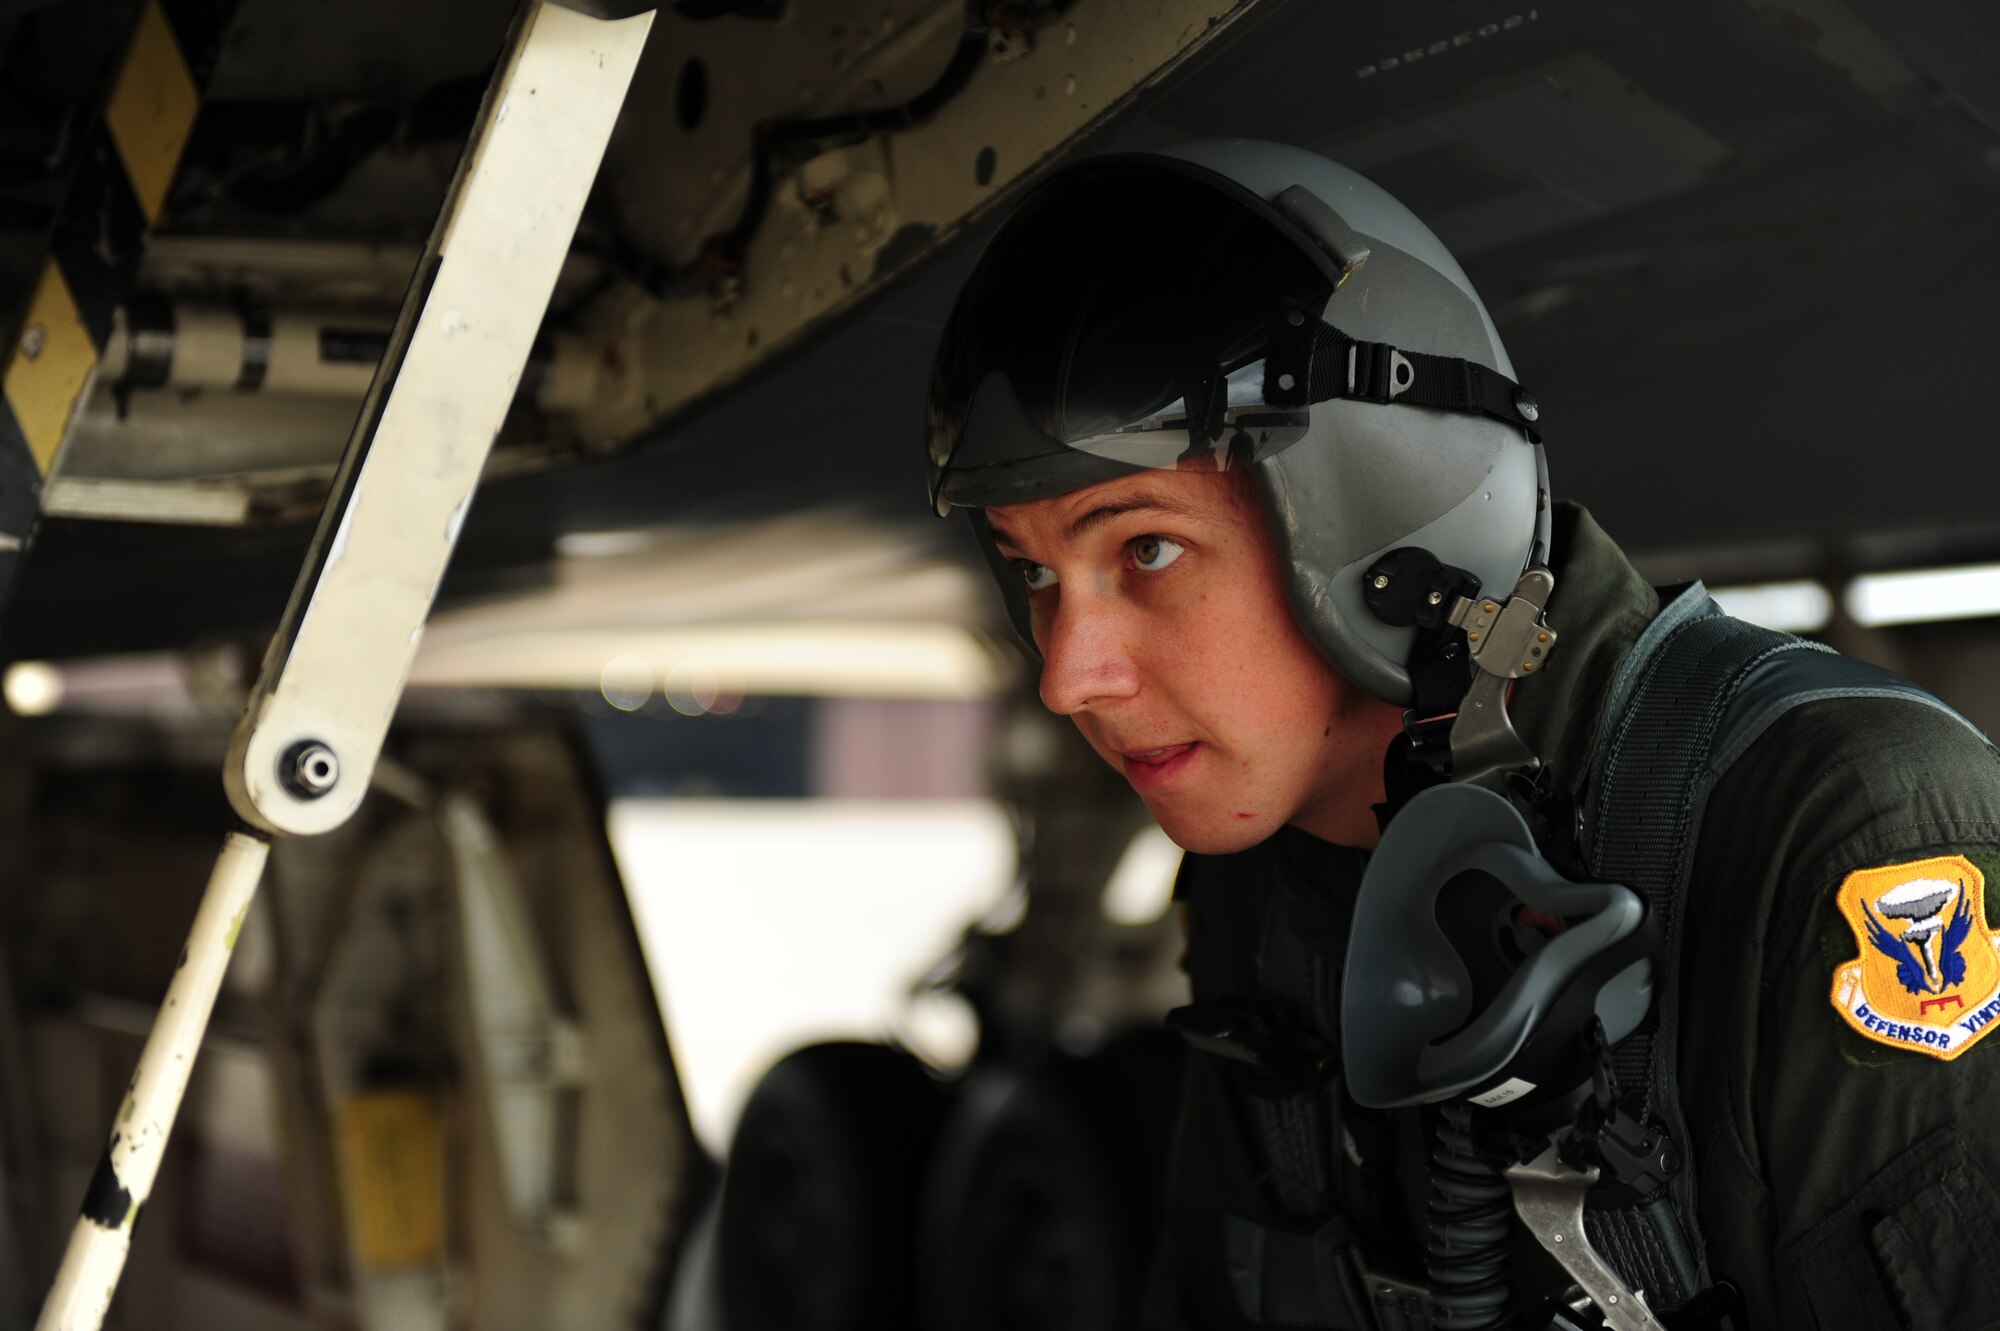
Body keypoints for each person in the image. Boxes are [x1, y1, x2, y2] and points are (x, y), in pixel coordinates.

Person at [922, 138, 2000, 1331]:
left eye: (1146, 548)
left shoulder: (1844, 828)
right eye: (1031, 572)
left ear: (1383, 521)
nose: (1069, 675)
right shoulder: (1269, 874)